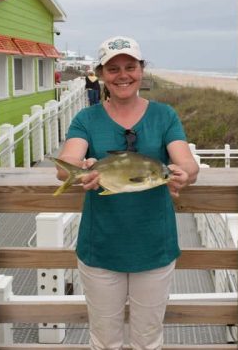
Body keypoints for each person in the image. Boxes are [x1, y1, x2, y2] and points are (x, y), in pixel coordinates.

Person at [56, 35, 199, 350]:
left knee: (148, 339)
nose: (123, 75)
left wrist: (182, 175)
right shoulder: (86, 118)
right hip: (100, 248)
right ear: (101, 74)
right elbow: (65, 163)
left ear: (142, 69)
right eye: (113, 68)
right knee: (105, 340)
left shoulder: (165, 116)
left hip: (155, 247)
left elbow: (187, 163)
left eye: (130, 67)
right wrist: (82, 169)